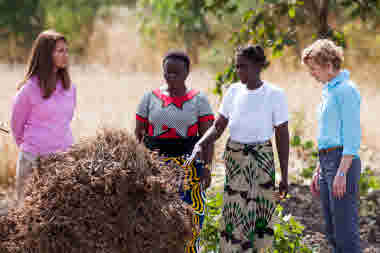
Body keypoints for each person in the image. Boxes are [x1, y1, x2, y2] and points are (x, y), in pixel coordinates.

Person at [188, 45, 289, 253]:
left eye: (243, 66)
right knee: (234, 213)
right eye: (237, 67)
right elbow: (218, 126)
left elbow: (282, 135)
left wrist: (284, 175)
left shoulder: (274, 94)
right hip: (235, 159)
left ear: (258, 66)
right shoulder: (233, 91)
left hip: (262, 158)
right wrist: (201, 143)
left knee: (261, 215)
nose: (238, 71)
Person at [134, 51, 214, 253]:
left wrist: (206, 167)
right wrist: (139, 164)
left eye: (176, 73)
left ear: (187, 73)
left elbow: (208, 138)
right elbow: (138, 134)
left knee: (191, 219)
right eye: (167, 73)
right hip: (156, 168)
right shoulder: (149, 98)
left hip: (189, 168)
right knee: (156, 220)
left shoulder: (199, 100)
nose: (171, 77)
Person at [304, 39, 362, 253]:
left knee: (345, 233)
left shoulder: (346, 91)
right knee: (332, 231)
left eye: (314, 68)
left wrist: (341, 172)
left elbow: (352, 135)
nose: (312, 74)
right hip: (327, 161)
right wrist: (319, 168)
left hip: (342, 162)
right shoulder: (329, 91)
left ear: (329, 65)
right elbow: (328, 134)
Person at [10, 30, 77, 208]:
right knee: (26, 213)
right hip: (33, 161)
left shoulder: (70, 88)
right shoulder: (28, 89)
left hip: (64, 161)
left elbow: (66, 120)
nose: (65, 55)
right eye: (59, 51)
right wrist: (33, 148)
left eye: (66, 50)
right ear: (46, 54)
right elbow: (16, 127)